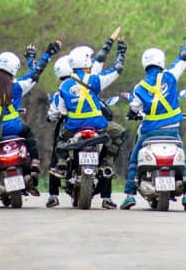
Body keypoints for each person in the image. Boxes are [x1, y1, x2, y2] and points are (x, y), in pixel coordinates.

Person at [0, 41, 61, 206]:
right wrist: (47, 54)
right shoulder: (17, 85)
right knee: (29, 133)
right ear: (13, 70)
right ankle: (35, 162)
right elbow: (35, 74)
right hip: (15, 128)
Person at [120, 23, 186, 211]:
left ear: (145, 64)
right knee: (184, 159)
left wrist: (132, 113)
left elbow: (134, 108)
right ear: (162, 62)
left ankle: (129, 195)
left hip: (149, 132)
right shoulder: (171, 75)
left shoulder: (140, 87)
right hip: (172, 131)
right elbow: (183, 57)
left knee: (134, 160)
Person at [49, 35, 127, 209]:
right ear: (86, 63)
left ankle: (61, 165)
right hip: (98, 125)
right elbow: (116, 70)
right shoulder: (95, 79)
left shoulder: (64, 85)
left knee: (61, 141)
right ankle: (107, 161)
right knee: (120, 132)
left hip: (73, 127)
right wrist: (121, 52)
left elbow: (59, 111)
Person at [44, 55, 73, 208]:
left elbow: (53, 115)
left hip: (67, 126)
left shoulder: (60, 92)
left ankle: (53, 195)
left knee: (56, 157)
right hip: (90, 125)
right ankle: (106, 197)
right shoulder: (88, 86)